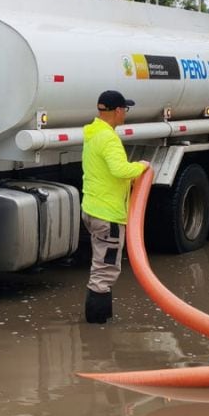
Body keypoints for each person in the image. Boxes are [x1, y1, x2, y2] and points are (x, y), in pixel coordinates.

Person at [81, 89, 150, 323]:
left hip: (92, 209)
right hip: (107, 214)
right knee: (105, 270)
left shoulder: (93, 133)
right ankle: (96, 328)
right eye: (125, 109)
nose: (126, 114)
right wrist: (142, 166)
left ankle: (101, 322)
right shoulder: (108, 138)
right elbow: (120, 170)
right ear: (118, 111)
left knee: (101, 265)